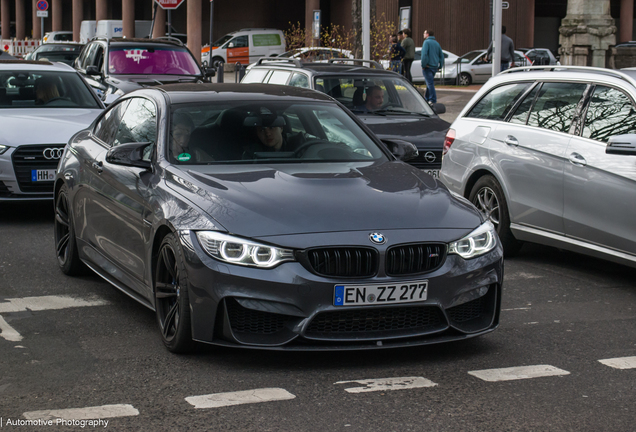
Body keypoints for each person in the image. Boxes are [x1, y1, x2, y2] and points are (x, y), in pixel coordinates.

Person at [420, 29, 443, 105]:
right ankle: (426, 98)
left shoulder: (426, 42)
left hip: (428, 66)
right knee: (429, 83)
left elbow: (424, 55)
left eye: (424, 33)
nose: (423, 34)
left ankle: (433, 99)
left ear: (427, 34)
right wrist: (441, 65)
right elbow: (441, 56)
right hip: (434, 66)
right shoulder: (437, 43)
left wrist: (423, 65)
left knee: (430, 83)